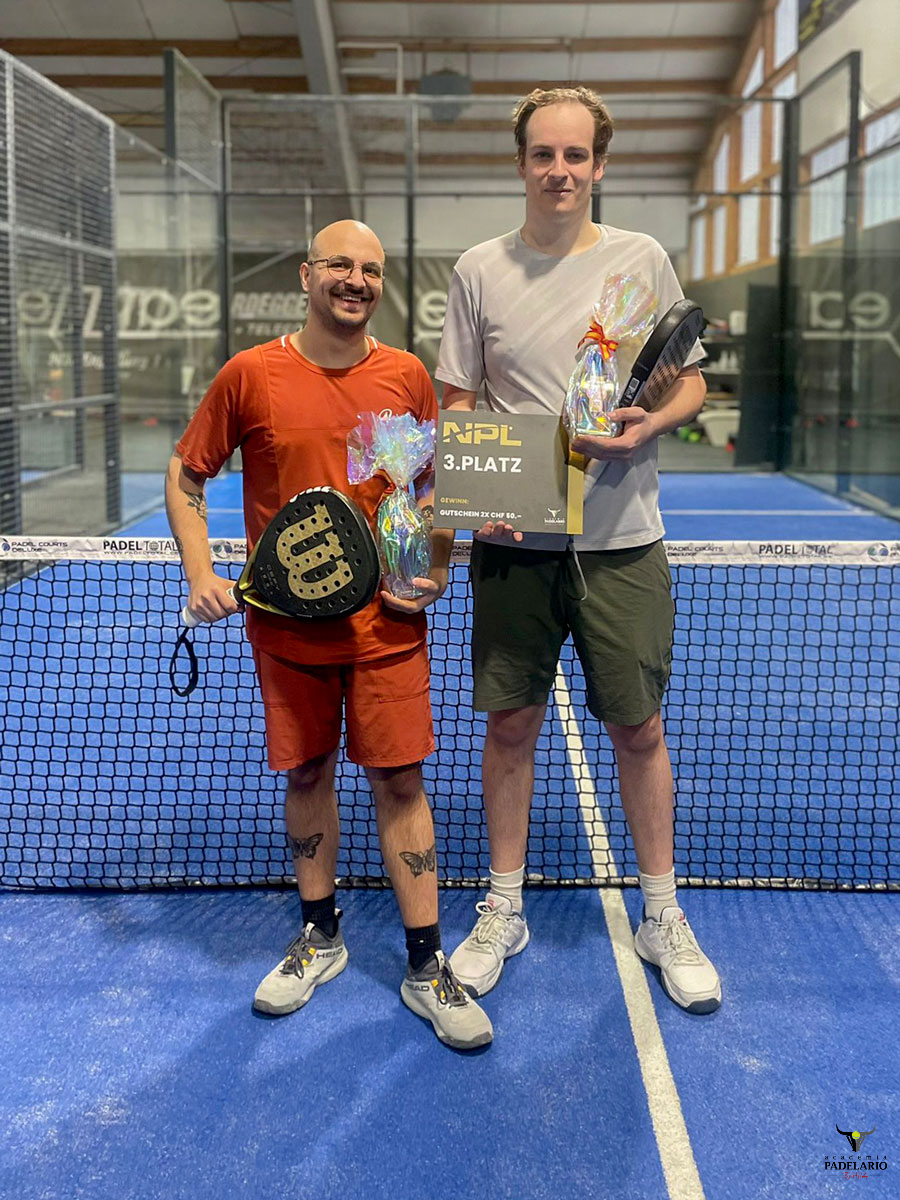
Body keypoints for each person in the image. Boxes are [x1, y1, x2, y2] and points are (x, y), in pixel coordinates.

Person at [165, 219, 492, 1050]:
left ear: (381, 286)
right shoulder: (252, 374)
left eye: (371, 269)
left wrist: (439, 561)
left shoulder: (409, 376)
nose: (356, 279)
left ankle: (426, 964)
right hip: (285, 628)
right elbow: (187, 472)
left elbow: (438, 482)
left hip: (388, 624)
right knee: (307, 769)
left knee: (400, 782)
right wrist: (201, 573)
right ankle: (320, 936)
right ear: (307, 275)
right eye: (340, 264)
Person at [435, 87, 721, 1014]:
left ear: (599, 166)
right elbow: (456, 401)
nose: (559, 171)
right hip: (516, 546)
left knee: (637, 729)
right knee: (509, 725)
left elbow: (691, 385)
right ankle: (503, 907)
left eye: (576, 156)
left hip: (623, 542)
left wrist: (648, 429)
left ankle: (662, 913)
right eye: (542, 155)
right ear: (520, 163)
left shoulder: (642, 261)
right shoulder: (479, 268)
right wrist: (480, 491)